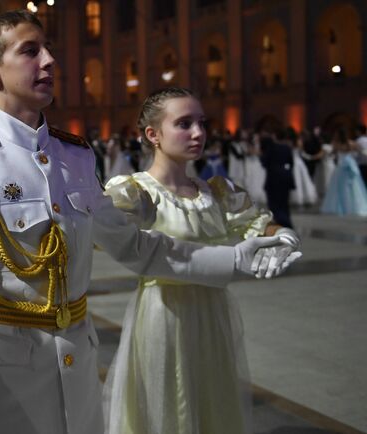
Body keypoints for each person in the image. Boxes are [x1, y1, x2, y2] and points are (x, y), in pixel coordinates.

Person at [0, 11, 298, 434]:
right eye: (30, 50)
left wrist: (235, 257)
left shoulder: (73, 156)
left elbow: (139, 248)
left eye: (49, 48)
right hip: (1, 370)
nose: (50, 60)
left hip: (77, 365)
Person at [102, 87, 301, 434]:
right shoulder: (136, 192)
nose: (198, 133)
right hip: (164, 314)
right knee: (167, 406)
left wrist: (282, 235)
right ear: (153, 135)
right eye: (183, 123)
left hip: (213, 313)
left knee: (213, 401)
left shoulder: (217, 192)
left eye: (201, 123)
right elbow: (112, 234)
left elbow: (257, 221)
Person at [320, 128, 367, 216]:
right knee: (352, 187)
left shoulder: (336, 144)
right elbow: (360, 150)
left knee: (340, 187)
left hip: (341, 166)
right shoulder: (350, 143)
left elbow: (332, 153)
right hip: (350, 164)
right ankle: (353, 207)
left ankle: (341, 207)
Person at [260, 130, 295, 228]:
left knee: (274, 204)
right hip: (285, 178)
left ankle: (279, 222)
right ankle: (286, 221)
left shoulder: (271, 148)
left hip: (273, 179)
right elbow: (291, 163)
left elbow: (264, 163)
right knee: (284, 203)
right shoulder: (287, 148)